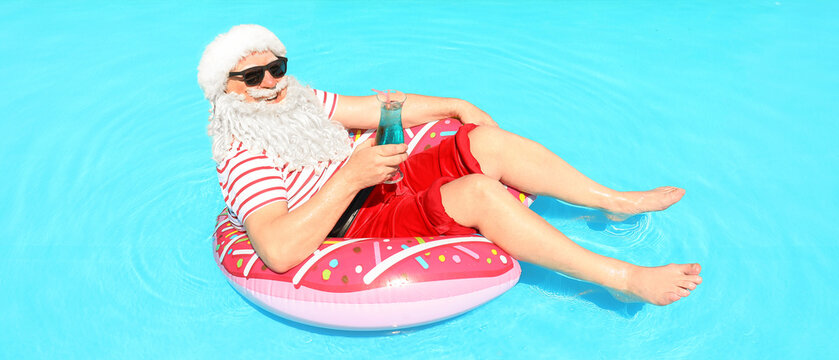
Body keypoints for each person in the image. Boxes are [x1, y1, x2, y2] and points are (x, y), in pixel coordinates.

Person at [197, 24, 702, 306]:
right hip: (350, 223)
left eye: (277, 67)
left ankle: (610, 202)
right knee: (480, 192)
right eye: (252, 76)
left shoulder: (297, 101)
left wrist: (454, 105)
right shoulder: (245, 156)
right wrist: (352, 176)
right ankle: (625, 279)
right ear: (226, 89)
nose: (270, 82)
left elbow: (368, 109)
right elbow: (280, 249)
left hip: (370, 180)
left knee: (485, 143)